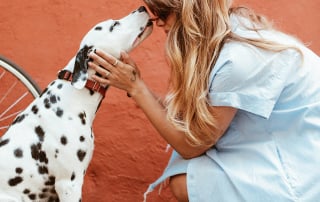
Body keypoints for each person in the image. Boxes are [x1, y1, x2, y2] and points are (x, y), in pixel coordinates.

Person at [88, 0, 320, 201]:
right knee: (187, 174)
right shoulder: (227, 34)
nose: (157, 22)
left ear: (188, 11)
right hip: (281, 139)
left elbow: (191, 146)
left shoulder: (237, 60)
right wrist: (136, 85)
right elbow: (191, 118)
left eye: (163, 12)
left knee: (186, 181)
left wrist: (136, 88)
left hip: (304, 162)